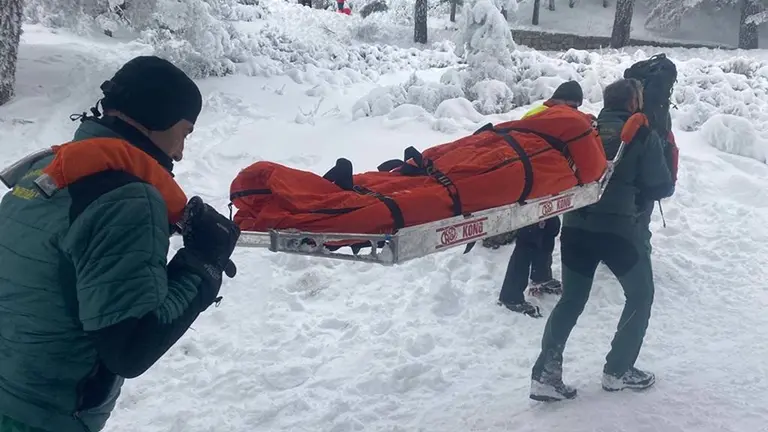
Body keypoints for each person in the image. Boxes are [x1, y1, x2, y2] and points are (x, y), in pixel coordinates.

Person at [0, 55, 241, 432]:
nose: (179, 152)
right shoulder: (129, 199)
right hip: (45, 415)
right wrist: (202, 262)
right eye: (184, 132)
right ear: (159, 119)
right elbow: (130, 347)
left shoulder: (46, 169)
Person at [528, 78, 677, 402]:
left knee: (571, 300)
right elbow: (661, 186)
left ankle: (545, 375)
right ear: (633, 103)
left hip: (576, 228)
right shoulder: (643, 134)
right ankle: (618, 369)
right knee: (640, 295)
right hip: (620, 231)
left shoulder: (585, 131)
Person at [497, 80, 587, 318]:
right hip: (531, 189)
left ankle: (541, 276)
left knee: (550, 229)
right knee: (528, 239)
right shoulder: (541, 116)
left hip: (546, 186)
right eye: (574, 106)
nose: (575, 111)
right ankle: (510, 295)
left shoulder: (550, 114)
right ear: (564, 101)